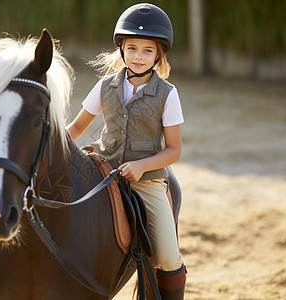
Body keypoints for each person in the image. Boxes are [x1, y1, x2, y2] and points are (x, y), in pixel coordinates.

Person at [66, 3, 186, 299]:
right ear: (122, 49)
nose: (138, 56)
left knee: (169, 259)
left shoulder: (168, 94)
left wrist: (142, 167)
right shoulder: (105, 85)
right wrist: (53, 145)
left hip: (147, 181)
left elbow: (173, 150)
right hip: (104, 168)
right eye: (132, 48)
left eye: (147, 50)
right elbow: (77, 128)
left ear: (159, 54)